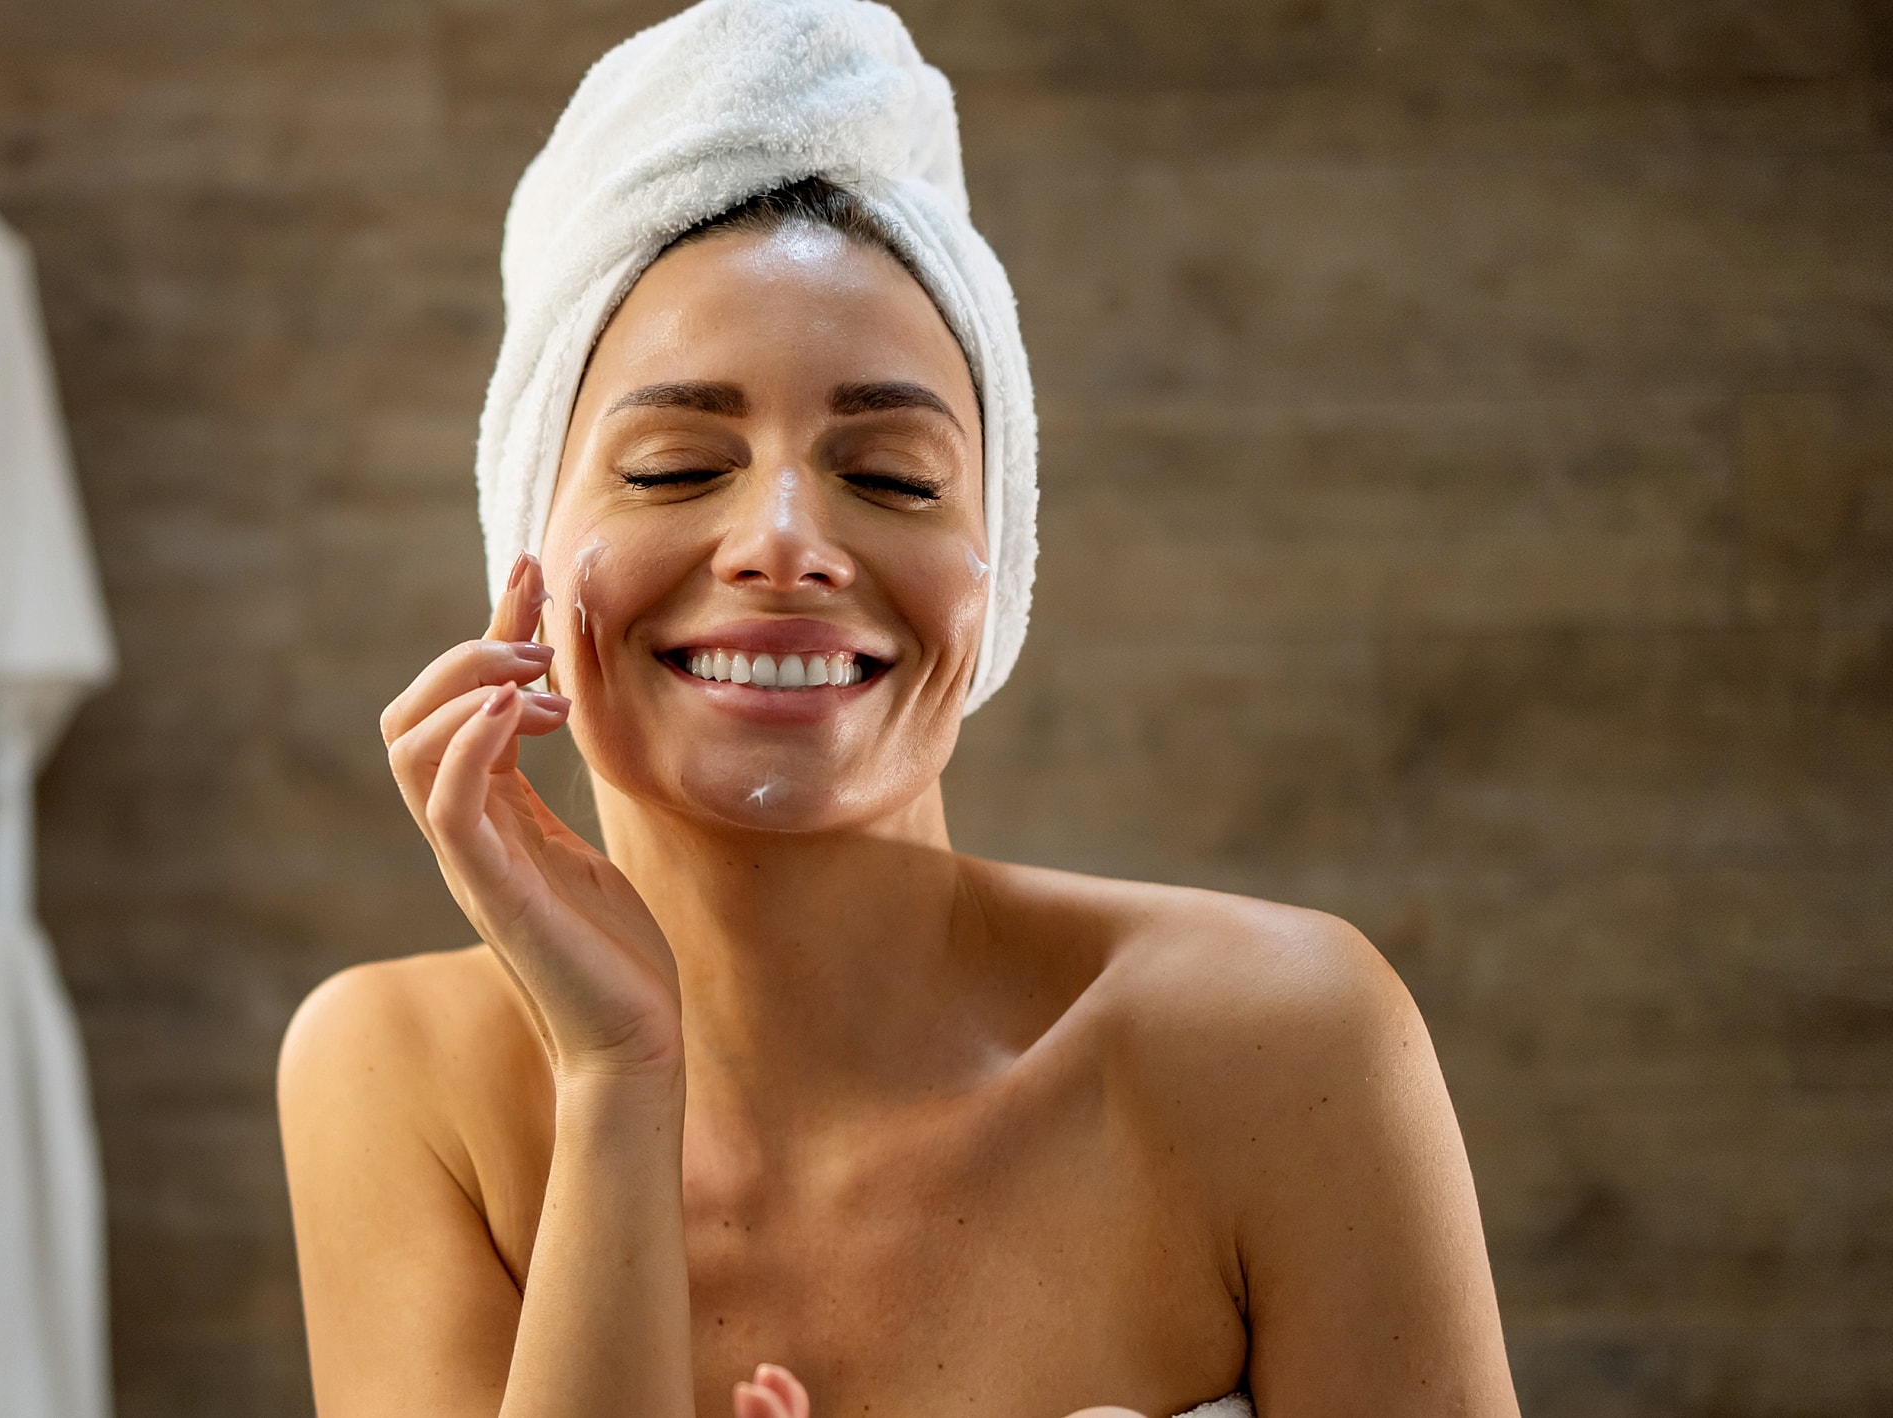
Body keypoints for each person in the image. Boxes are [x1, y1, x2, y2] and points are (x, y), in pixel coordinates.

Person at [278, 4, 1519, 1416]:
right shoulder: (397, 1079)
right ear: (529, 559)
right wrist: (619, 1076)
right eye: (676, 468)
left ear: (1000, 570)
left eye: (896, 478)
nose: (785, 541)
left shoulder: (1285, 1046)